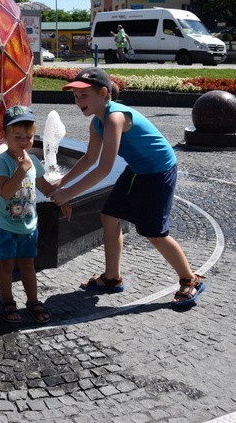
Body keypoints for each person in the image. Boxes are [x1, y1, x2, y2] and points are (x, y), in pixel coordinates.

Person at [47, 68, 206, 306]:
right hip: (137, 169)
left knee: (154, 233)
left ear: (103, 93)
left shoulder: (115, 117)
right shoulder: (98, 123)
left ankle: (190, 279)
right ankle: (112, 277)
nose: (78, 101)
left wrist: (67, 194)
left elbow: (103, 168)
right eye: (76, 97)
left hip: (159, 171)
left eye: (84, 95)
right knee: (110, 217)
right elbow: (90, 158)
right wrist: (63, 181)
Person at [0, 105, 73, 324]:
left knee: (28, 264)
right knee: (6, 265)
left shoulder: (33, 162)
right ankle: (7, 300)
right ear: (4, 136)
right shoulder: (2, 162)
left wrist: (62, 198)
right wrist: (22, 169)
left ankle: (33, 300)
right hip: (5, 226)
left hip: (28, 226)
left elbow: (45, 187)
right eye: (17, 136)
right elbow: (5, 192)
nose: (23, 141)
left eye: (28, 136)